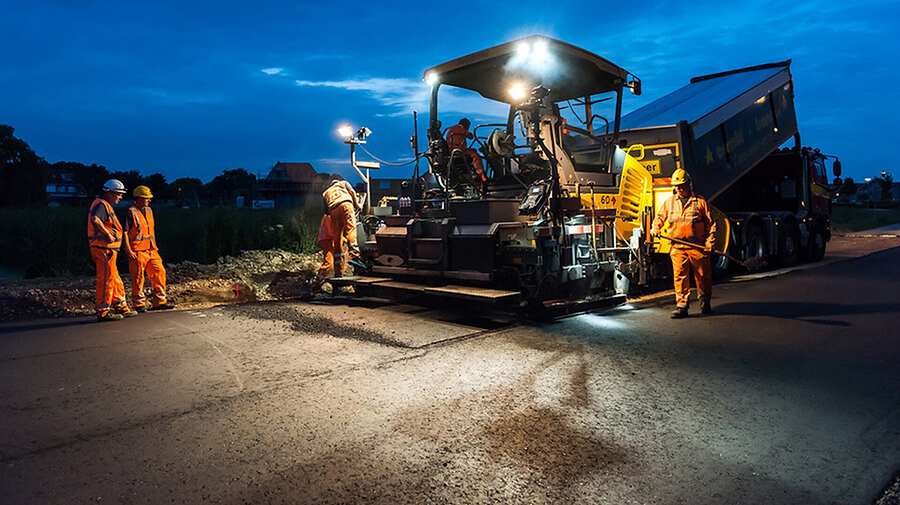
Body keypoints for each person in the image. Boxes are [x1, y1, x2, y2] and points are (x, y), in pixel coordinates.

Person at [650, 169, 717, 318]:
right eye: (676, 186)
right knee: (680, 277)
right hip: (678, 247)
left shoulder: (700, 202)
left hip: (697, 247)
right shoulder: (670, 202)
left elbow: (710, 224)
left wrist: (709, 242)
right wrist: (655, 228)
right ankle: (682, 306)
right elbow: (659, 218)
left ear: (689, 184)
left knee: (703, 276)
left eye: (681, 186)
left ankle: (705, 301)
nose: (679, 189)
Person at [88, 179, 137, 322]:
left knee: (114, 278)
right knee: (106, 280)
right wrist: (107, 234)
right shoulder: (102, 205)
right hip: (104, 249)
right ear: (110, 193)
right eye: (119, 194)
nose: (120, 197)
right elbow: (95, 219)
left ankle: (120, 306)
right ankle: (103, 311)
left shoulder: (104, 205)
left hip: (108, 250)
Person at [123, 185, 174, 312]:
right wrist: (128, 250)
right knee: (138, 278)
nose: (149, 200)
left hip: (151, 250)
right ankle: (138, 304)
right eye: (147, 198)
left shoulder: (149, 211)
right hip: (137, 251)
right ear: (138, 198)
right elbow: (124, 232)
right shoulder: (130, 212)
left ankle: (159, 301)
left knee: (159, 272)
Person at [322, 177, 366, 277]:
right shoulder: (343, 183)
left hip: (333, 211)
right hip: (346, 204)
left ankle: (338, 272)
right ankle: (354, 256)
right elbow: (352, 192)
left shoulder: (326, 193)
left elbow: (326, 212)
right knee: (350, 229)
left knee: (337, 239)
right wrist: (358, 205)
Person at [309, 213, 334, 293]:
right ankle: (317, 284)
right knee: (329, 262)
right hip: (326, 240)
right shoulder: (329, 217)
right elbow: (331, 233)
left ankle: (318, 283)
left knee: (332, 262)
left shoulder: (329, 216)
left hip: (327, 240)